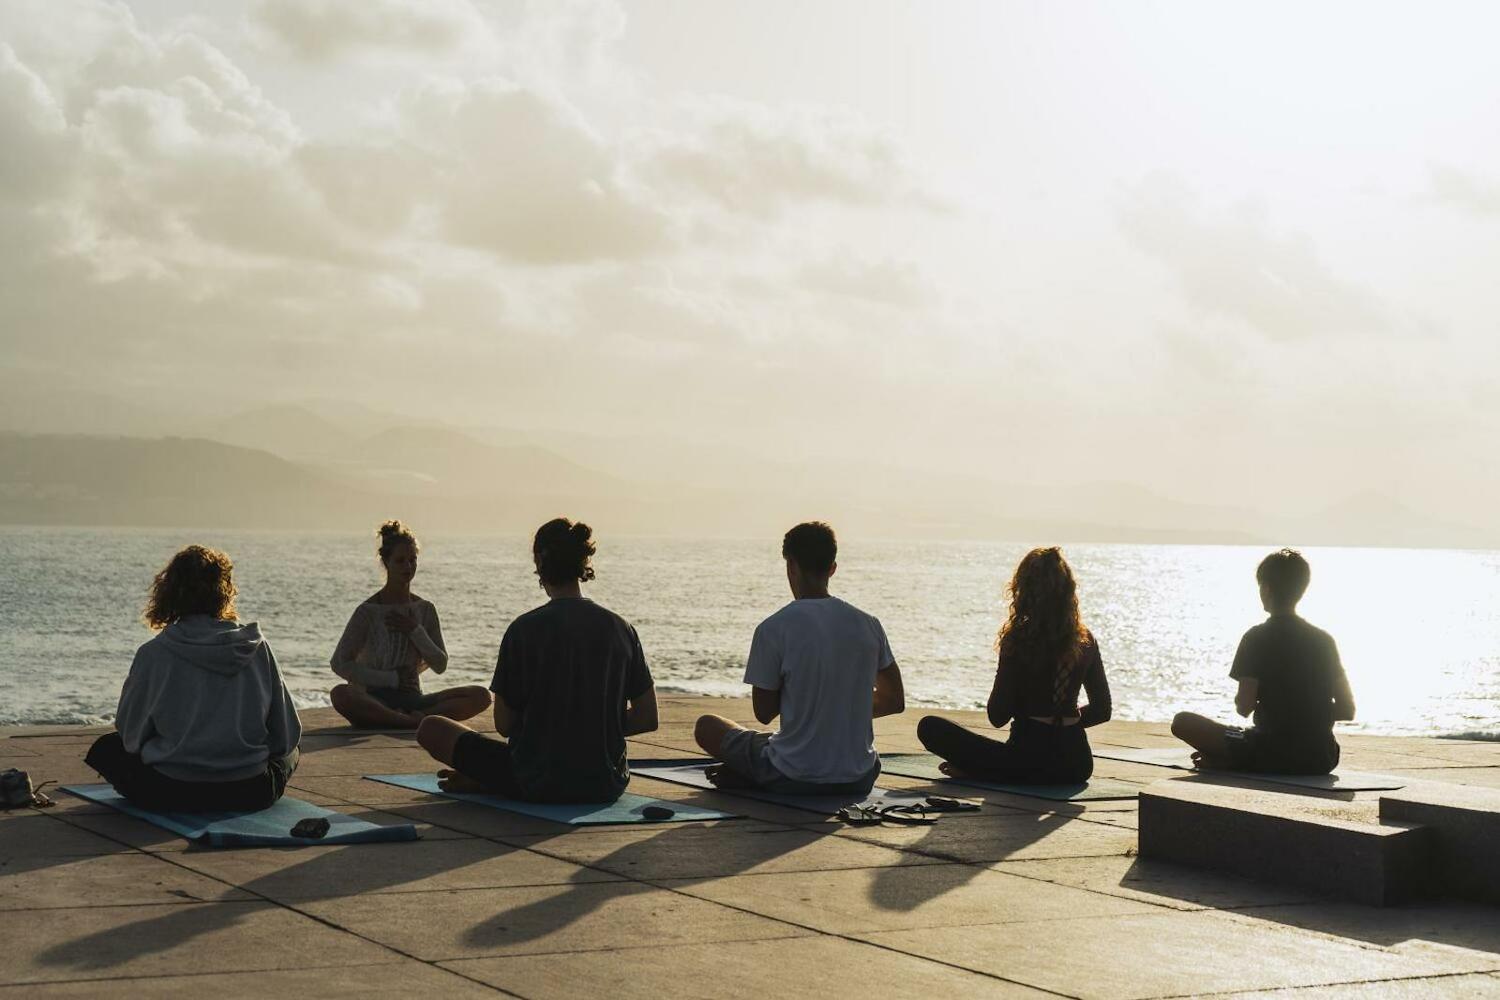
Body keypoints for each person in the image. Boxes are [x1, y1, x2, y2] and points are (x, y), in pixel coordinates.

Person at [416, 518, 659, 802]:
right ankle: (490, 781)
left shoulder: (523, 630)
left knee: (432, 728)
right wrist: (593, 728)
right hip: (605, 783)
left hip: (536, 779)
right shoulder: (621, 628)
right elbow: (647, 717)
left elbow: (505, 725)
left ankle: (490, 781)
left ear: (540, 563)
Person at [84, 545, 302, 812]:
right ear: (226, 592)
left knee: (108, 748)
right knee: (294, 751)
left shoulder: (154, 653)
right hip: (250, 790)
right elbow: (286, 736)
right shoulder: (256, 647)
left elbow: (131, 734)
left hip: (173, 790)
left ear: (168, 592)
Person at [693, 521, 905, 795]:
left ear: (791, 565)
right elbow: (894, 701)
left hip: (793, 774)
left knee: (707, 726)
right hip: (859, 776)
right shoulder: (868, 624)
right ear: (832, 568)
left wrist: (812, 705)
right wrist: (838, 712)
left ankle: (754, 775)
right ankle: (754, 775)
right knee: (778, 741)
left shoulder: (773, 628)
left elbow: (764, 712)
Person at [916, 547, 1110, 785]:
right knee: (1014, 758)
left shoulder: (1020, 638)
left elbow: (997, 715)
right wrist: (1065, 721)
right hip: (1077, 764)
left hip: (1026, 761)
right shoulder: (1085, 638)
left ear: (1023, 590)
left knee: (930, 727)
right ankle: (990, 770)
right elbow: (1103, 710)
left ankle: (981, 771)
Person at [1171, 548, 1356, 774]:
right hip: (1321, 757)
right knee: (1245, 741)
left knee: (1183, 722)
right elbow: (1348, 710)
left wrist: (1278, 714)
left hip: (1267, 750)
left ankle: (1227, 760)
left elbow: (1244, 707)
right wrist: (1307, 713)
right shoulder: (1324, 640)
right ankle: (1227, 760)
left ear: (1266, 589)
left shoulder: (1256, 638)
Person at [329, 520, 491, 729]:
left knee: (481, 696)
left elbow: (440, 664)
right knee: (340, 694)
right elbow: (340, 663)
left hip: (413, 699)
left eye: (413, 560)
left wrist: (415, 630)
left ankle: (412, 718)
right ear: (386, 562)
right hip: (372, 698)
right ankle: (406, 720)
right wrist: (392, 679)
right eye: (400, 561)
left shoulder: (425, 609)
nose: (408, 566)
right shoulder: (368, 612)